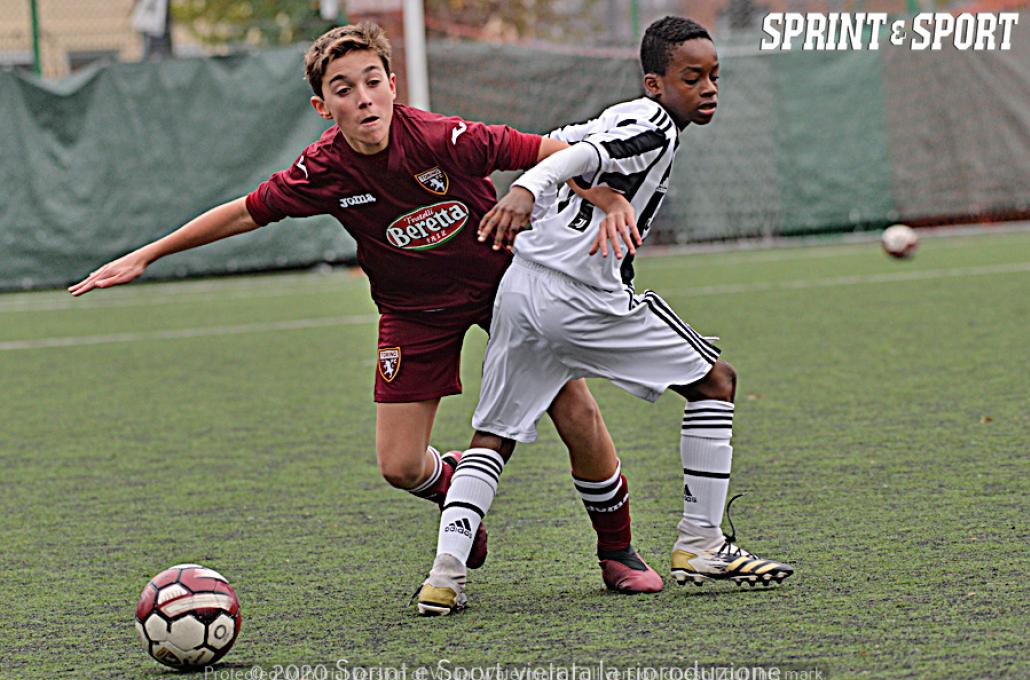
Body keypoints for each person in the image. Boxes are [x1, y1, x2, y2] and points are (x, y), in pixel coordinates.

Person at [68, 22, 662, 591]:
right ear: (323, 107)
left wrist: (610, 198)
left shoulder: (442, 137)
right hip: (413, 312)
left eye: (373, 81)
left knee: (576, 413)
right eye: (344, 88)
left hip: (504, 292)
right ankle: (452, 487)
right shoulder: (324, 168)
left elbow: (553, 153)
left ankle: (617, 552)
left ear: (392, 85)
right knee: (399, 465)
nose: (363, 97)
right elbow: (247, 211)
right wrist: (148, 254)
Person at [416, 16, 793, 616]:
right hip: (583, 297)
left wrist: (599, 193)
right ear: (655, 83)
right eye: (691, 78)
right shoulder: (655, 127)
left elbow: (560, 148)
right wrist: (525, 191)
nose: (708, 89)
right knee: (715, 382)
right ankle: (700, 543)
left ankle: (444, 575)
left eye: (714, 76)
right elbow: (582, 157)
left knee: (493, 436)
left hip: (522, 286)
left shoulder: (619, 113)